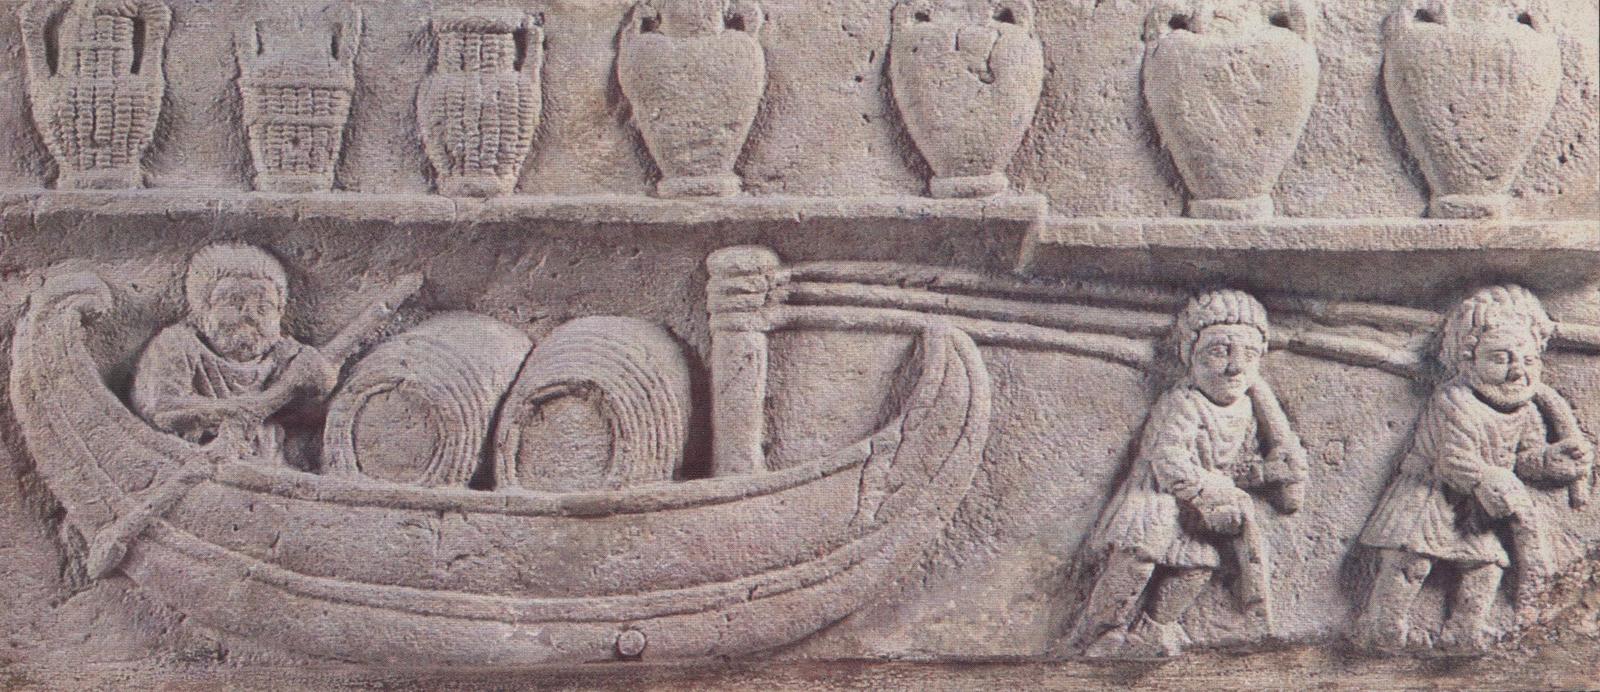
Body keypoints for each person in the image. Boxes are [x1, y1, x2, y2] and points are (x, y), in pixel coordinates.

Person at [1353, 285, 1593, 654]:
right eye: (1501, 359)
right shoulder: (1454, 400)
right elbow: (1454, 460)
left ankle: (1464, 630)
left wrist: (1551, 461)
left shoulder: (1524, 411)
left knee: (1486, 568)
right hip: (1430, 497)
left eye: (1529, 360)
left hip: (1479, 505)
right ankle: (1384, 624)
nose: (1518, 372)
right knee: (1411, 562)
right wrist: (1485, 479)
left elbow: (1524, 459)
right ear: (1468, 360)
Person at [1068, 289, 1308, 658]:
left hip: (1197, 514)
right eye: (1219, 351)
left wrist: (1265, 474)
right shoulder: (1182, 403)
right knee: (1135, 565)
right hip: (1157, 502)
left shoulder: (1246, 410)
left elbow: (1233, 469)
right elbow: (1168, 460)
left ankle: (1153, 627)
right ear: (1188, 355)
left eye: (1248, 355)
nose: (1235, 367)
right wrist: (1207, 492)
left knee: (1198, 567)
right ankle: (1100, 630)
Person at [131, 243, 339, 465]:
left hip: (266, 462)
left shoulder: (284, 354)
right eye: (234, 303)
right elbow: (161, 406)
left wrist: (317, 377)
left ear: (280, 313)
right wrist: (235, 411)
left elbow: (316, 394)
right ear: (203, 309)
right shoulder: (179, 344)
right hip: (189, 458)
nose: (249, 315)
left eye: (263, 307)